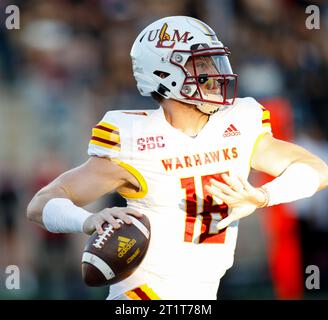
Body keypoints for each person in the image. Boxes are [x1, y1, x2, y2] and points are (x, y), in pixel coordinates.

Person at [27, 16, 328, 300]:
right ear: (164, 74)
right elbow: (40, 204)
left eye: (216, 61)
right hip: (144, 294)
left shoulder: (239, 124)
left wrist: (264, 196)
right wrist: (88, 219)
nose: (217, 74)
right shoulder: (134, 137)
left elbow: (317, 169)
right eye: (203, 65)